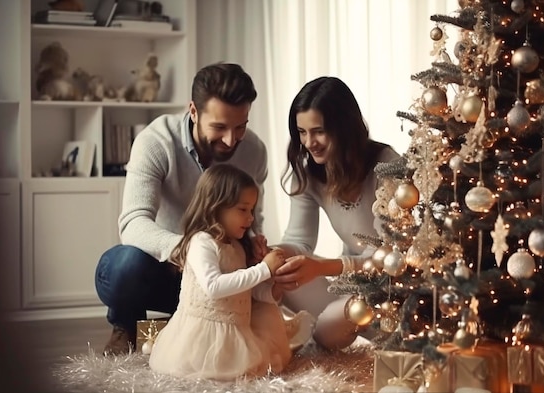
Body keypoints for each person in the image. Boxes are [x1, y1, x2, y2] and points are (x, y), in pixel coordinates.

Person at [94, 63, 269, 355]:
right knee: (122, 267)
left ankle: (176, 327)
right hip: (164, 269)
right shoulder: (156, 142)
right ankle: (126, 326)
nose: (230, 140)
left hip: (218, 273)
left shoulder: (254, 151)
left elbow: (252, 218)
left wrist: (255, 246)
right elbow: (133, 222)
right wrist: (188, 249)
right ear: (193, 111)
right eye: (219, 127)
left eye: (240, 127)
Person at [272, 76, 400, 349]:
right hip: (351, 290)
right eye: (301, 132)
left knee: (331, 325)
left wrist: (323, 266)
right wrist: (270, 254)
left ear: (343, 128)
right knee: (278, 267)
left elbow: (389, 257)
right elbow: (299, 241)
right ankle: (325, 329)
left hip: (394, 294)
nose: (309, 143)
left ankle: (326, 332)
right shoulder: (307, 173)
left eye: (318, 131)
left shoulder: (387, 166)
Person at [148, 164, 292, 379]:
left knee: (253, 368)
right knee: (215, 372)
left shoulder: (236, 247)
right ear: (215, 207)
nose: (251, 218)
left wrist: (274, 288)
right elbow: (213, 287)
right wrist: (263, 269)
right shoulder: (201, 242)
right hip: (203, 337)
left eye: (252, 210)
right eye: (243, 210)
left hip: (235, 331)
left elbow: (245, 293)